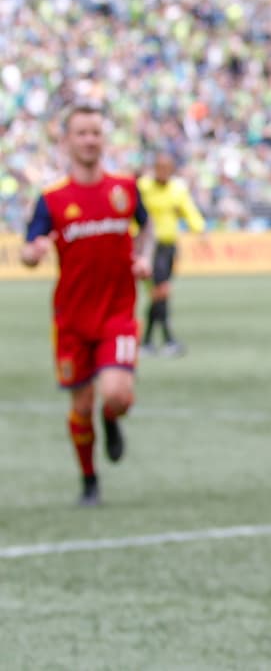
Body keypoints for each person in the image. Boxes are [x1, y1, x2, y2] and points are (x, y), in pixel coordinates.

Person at [21, 105, 153, 506]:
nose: (90, 140)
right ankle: (89, 480)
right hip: (72, 318)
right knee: (80, 404)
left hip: (117, 314)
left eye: (96, 132)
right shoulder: (52, 199)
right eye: (81, 133)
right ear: (67, 141)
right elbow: (28, 249)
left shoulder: (125, 189)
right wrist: (36, 251)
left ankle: (112, 419)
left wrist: (144, 256)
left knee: (116, 395)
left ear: (103, 138)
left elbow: (145, 226)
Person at [137, 151, 207, 356]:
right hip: (150, 248)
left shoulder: (177, 189)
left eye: (167, 168)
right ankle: (167, 340)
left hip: (168, 247)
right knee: (161, 291)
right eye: (160, 168)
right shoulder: (143, 187)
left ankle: (148, 342)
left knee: (159, 294)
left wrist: (199, 229)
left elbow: (189, 210)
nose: (163, 172)